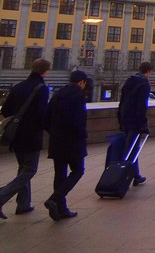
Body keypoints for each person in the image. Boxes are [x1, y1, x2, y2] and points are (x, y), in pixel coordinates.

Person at [0, 58, 51, 219]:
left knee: (23, 167)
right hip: (31, 135)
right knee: (30, 169)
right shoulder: (41, 88)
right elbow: (42, 114)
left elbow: (6, 110)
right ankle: (2, 196)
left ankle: (23, 203)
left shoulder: (18, 87)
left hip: (15, 135)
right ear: (45, 71)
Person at [43, 70, 88, 220]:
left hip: (57, 140)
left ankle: (60, 209)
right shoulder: (78, 96)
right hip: (73, 140)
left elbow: (46, 118)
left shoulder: (57, 94)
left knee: (60, 174)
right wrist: (82, 135)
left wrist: (54, 132)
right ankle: (55, 198)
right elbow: (78, 120)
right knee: (78, 170)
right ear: (81, 82)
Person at [117, 61, 152, 186]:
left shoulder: (129, 80)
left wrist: (120, 117)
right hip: (135, 120)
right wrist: (143, 123)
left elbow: (122, 100)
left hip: (125, 117)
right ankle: (122, 176)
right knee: (130, 149)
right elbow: (142, 105)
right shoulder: (144, 83)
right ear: (148, 71)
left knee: (132, 147)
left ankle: (136, 175)